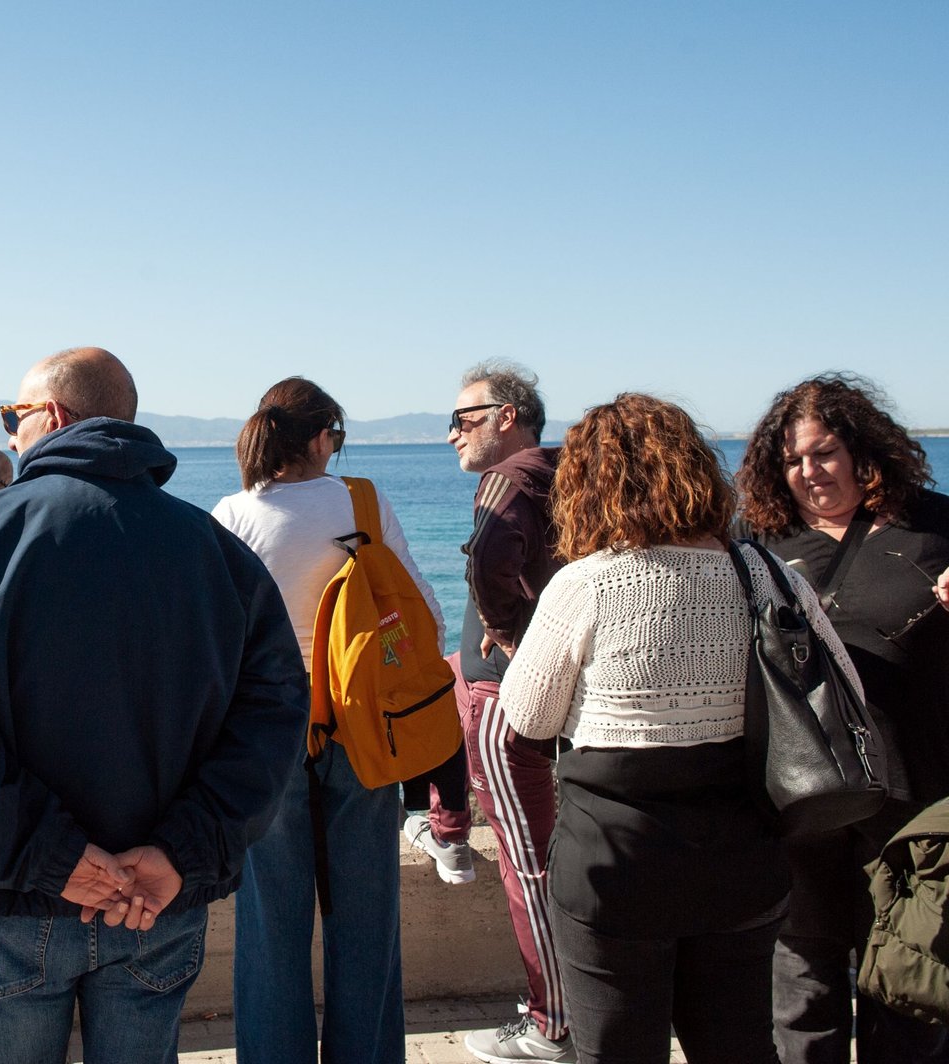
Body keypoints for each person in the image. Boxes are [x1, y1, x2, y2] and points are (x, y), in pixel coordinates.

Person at [0, 347, 308, 1064]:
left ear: (53, 416)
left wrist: (47, 857)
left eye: (13, 416)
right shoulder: (215, 548)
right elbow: (273, 719)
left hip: (16, 900)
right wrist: (181, 850)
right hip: (158, 897)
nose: (8, 435)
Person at [501, 393, 845, 1064]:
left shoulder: (587, 585)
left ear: (587, 487)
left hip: (615, 871)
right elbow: (842, 696)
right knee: (739, 1044)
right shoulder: (770, 577)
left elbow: (526, 719)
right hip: (742, 862)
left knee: (617, 1051)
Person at [212, 377, 445, 1064]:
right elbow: (421, 611)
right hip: (364, 724)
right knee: (367, 916)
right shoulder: (360, 503)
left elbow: (218, 638)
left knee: (269, 921)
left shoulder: (231, 516)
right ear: (321, 438)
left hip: (267, 731)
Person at [739, 373, 949, 1064]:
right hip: (799, 800)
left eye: (823, 452)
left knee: (906, 980)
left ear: (864, 449)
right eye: (792, 460)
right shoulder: (755, 541)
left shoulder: (935, 527)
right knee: (802, 983)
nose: (808, 472)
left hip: (914, 799)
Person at [445, 361, 574, 1064]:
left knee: (528, 872)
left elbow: (490, 560)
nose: (452, 436)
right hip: (542, 696)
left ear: (507, 415)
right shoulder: (560, 475)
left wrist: (512, 633)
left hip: (507, 699)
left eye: (464, 419)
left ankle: (552, 1023)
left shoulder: (509, 479)